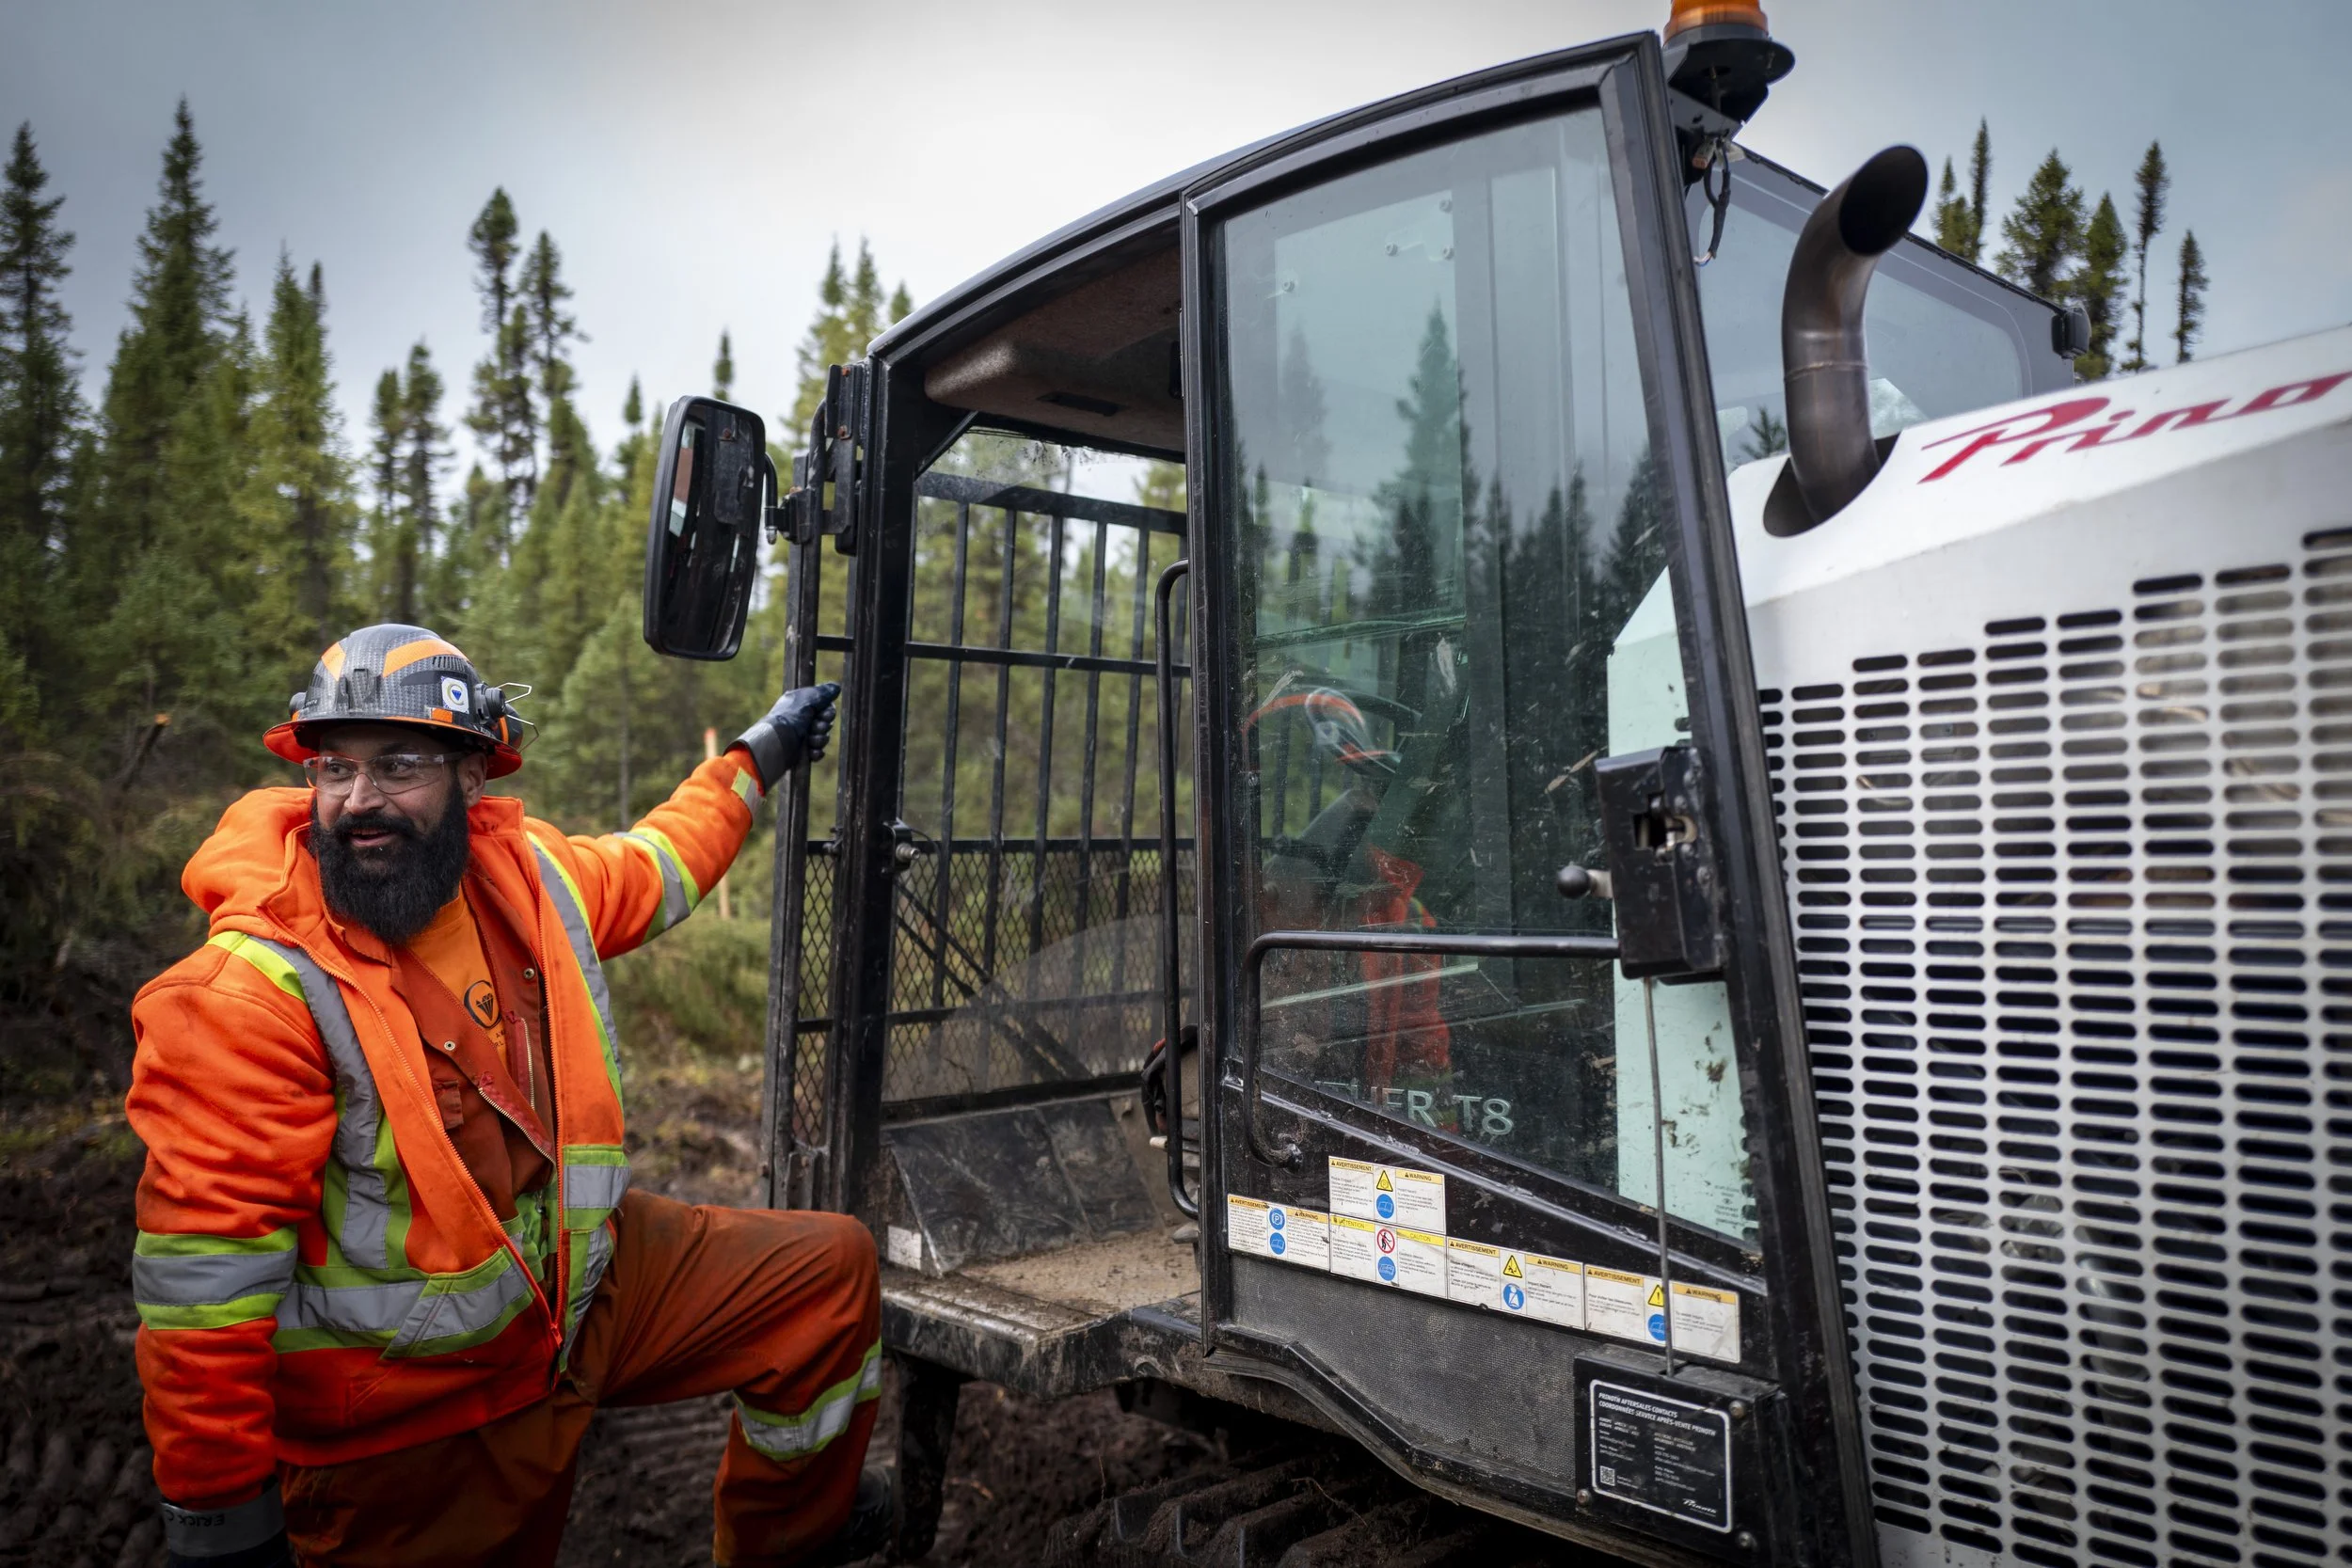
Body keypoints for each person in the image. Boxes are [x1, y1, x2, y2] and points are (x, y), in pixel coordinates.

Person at [126, 624, 882, 1568]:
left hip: (576, 1296)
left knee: (825, 1276)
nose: (360, 800)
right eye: (333, 767)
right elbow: (202, 1300)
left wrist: (756, 754)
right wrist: (223, 1528)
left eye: (400, 763)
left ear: (472, 777)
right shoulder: (247, 992)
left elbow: (660, 861)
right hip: (413, 1425)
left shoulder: (528, 881)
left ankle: (790, 1537)